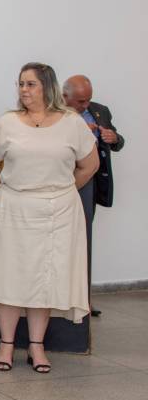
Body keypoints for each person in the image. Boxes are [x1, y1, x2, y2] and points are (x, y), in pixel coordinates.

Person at [0, 63, 98, 373]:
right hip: (14, 211)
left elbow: (90, 165)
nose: (23, 90)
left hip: (57, 214)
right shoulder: (7, 123)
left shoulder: (72, 123)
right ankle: (6, 345)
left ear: (47, 87)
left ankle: (36, 346)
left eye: (30, 84)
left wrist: (60, 191)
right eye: (20, 84)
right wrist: (14, 187)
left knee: (44, 279)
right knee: (10, 276)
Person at [62, 74, 125, 317]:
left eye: (88, 100)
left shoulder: (101, 111)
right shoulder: (53, 112)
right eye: (81, 101)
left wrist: (114, 138)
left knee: (84, 241)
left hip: (91, 185)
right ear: (64, 96)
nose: (86, 105)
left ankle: (84, 300)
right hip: (63, 182)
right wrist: (78, 132)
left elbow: (118, 142)